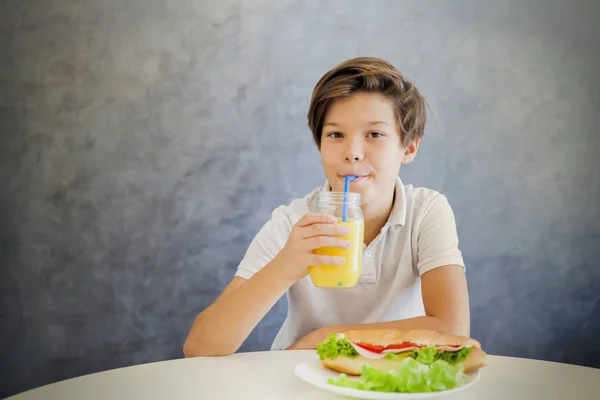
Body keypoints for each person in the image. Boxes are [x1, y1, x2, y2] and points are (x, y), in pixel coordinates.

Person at [183, 56, 470, 357]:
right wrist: (286, 264)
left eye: (374, 134)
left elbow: (452, 328)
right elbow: (201, 348)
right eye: (336, 135)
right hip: (299, 376)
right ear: (319, 144)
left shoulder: (426, 211)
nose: (353, 153)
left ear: (408, 147)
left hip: (390, 379)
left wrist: (326, 337)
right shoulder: (292, 222)